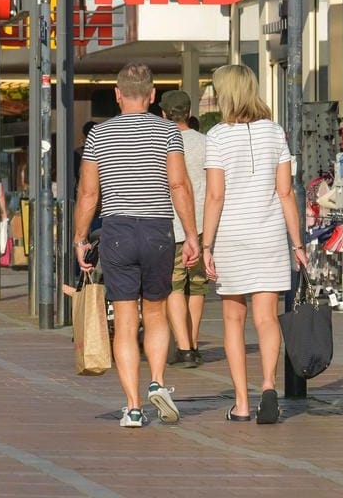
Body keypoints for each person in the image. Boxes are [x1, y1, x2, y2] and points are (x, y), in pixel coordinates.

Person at [71, 62, 200, 429]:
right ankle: (158, 381)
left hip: (117, 231)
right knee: (156, 312)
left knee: (126, 321)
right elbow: (179, 186)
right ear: (152, 94)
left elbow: (88, 193)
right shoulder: (168, 133)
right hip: (158, 229)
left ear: (117, 94)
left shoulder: (99, 134)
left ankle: (132, 406)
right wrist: (191, 235)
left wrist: (81, 240)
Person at [200, 65, 304, 424]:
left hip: (232, 236)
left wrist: (206, 244)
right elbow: (286, 192)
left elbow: (215, 196)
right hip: (270, 235)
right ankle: (270, 386)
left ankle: (242, 403)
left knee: (233, 318)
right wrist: (298, 242)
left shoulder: (216, 136)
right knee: (267, 317)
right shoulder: (275, 132)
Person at [158, 89, 210, 368]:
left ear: (163, 114)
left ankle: (184, 347)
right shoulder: (207, 142)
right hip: (203, 225)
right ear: (189, 113)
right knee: (198, 286)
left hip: (174, 225)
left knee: (175, 286)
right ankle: (195, 341)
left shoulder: (162, 142)